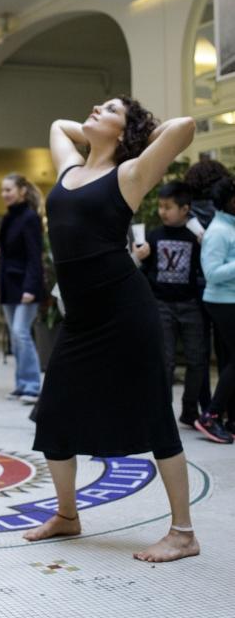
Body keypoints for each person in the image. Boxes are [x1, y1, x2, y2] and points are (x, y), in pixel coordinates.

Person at [25, 97, 200, 562]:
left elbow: (184, 126)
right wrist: (101, 131)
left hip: (126, 314)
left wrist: (136, 136)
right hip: (80, 319)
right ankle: (67, 514)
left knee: (156, 416)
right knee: (54, 413)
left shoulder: (130, 175)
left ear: (125, 133)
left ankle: (183, 532)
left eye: (110, 109)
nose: (95, 108)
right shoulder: (68, 168)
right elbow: (59, 122)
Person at [134, 181, 210, 434]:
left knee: (197, 359)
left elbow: (204, 269)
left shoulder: (195, 237)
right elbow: (142, 271)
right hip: (161, 305)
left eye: (168, 207)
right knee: (164, 362)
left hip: (190, 304)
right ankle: (162, 412)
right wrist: (140, 257)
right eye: (160, 206)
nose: (162, 212)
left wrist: (204, 240)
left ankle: (190, 410)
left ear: (185, 209)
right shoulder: (153, 236)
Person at [0, 173, 44, 405]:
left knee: (21, 333)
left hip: (25, 286)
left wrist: (31, 288)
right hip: (8, 285)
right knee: (16, 338)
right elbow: (3, 256)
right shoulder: (8, 218)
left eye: (9, 190)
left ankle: (33, 386)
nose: (5, 194)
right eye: (3, 190)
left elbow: (35, 257)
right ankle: (21, 384)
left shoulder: (30, 218)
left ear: (22, 191)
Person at [197, 174, 235, 442]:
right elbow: (211, 273)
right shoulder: (218, 231)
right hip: (222, 302)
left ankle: (226, 417)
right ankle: (210, 416)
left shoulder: (229, 225)